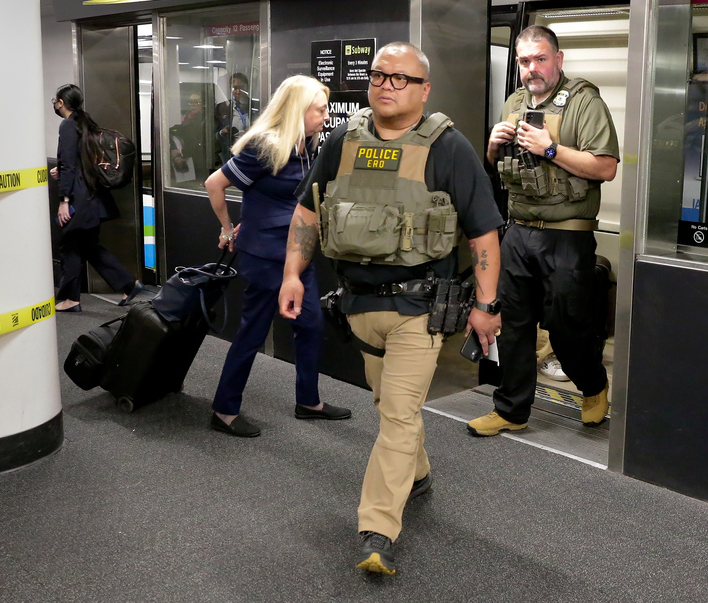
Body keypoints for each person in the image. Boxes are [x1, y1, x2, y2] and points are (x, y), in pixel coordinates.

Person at [278, 42, 503, 575]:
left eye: (400, 79)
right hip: (357, 305)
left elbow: (484, 233)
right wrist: (292, 273)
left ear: (424, 91)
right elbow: (309, 214)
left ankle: (378, 529)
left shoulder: (449, 148)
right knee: (388, 406)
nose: (385, 85)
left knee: (398, 415)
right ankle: (418, 474)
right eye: (379, 75)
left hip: (420, 310)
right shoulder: (343, 140)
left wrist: (488, 304)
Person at [467, 25, 620, 436]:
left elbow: (605, 167)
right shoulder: (514, 102)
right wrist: (493, 146)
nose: (531, 68)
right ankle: (511, 411)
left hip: (567, 234)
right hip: (517, 231)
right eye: (524, 61)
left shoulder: (584, 102)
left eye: (540, 59)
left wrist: (549, 148)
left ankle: (593, 385)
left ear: (558, 58)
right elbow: (499, 167)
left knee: (569, 327)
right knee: (513, 325)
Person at [205, 75, 351, 438]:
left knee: (311, 323)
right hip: (266, 253)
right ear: (297, 110)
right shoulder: (265, 146)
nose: (325, 115)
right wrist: (227, 229)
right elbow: (214, 184)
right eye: (319, 109)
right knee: (252, 332)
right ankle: (224, 410)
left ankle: (308, 401)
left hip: (298, 252)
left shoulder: (307, 146)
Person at [51, 84, 143, 313]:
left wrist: (64, 201)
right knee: (89, 246)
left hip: (79, 199)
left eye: (55, 100)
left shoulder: (68, 126)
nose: (54, 103)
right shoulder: (85, 123)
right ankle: (128, 284)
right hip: (93, 196)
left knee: (70, 245)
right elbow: (80, 162)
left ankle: (71, 299)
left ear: (61, 102)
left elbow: (70, 164)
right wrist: (61, 171)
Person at [215, 71, 256, 163]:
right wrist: (223, 132)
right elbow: (213, 135)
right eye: (235, 88)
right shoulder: (222, 108)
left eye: (241, 88)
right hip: (231, 155)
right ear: (230, 89)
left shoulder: (257, 106)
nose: (238, 92)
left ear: (247, 87)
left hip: (253, 153)